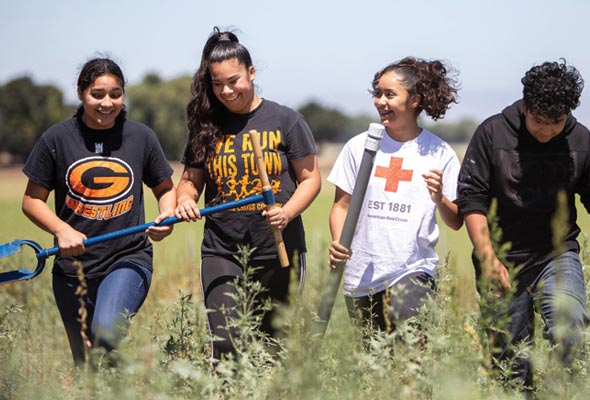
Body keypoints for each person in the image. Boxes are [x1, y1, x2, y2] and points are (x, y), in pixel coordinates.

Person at [175, 27, 321, 360]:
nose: (226, 91)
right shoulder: (206, 125)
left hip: (278, 248)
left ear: (251, 73)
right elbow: (190, 182)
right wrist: (185, 199)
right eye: (217, 83)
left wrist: (286, 212)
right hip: (222, 248)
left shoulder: (286, 120)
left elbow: (311, 179)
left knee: (272, 345)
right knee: (226, 343)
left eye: (234, 80)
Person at [21, 57, 176, 365]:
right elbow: (31, 201)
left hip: (127, 258)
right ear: (80, 94)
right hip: (71, 268)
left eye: (115, 94)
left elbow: (166, 189)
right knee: (87, 363)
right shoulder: (56, 138)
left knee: (106, 334)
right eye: (98, 94)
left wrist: (166, 218)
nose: (107, 103)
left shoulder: (141, 137)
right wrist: (61, 230)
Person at [457, 60, 590, 391]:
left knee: (571, 327)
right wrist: (489, 259)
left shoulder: (579, 139)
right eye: (539, 121)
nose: (547, 131)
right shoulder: (492, 133)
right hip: (502, 255)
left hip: (557, 254)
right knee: (510, 363)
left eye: (557, 122)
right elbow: (471, 201)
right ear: (525, 105)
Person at [328, 57, 462, 336]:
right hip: (360, 276)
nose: (380, 101)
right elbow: (341, 206)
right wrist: (339, 244)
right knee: (372, 362)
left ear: (414, 100)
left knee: (409, 345)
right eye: (377, 93)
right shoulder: (359, 147)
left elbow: (456, 220)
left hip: (412, 270)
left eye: (390, 94)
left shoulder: (438, 152)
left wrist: (439, 199)